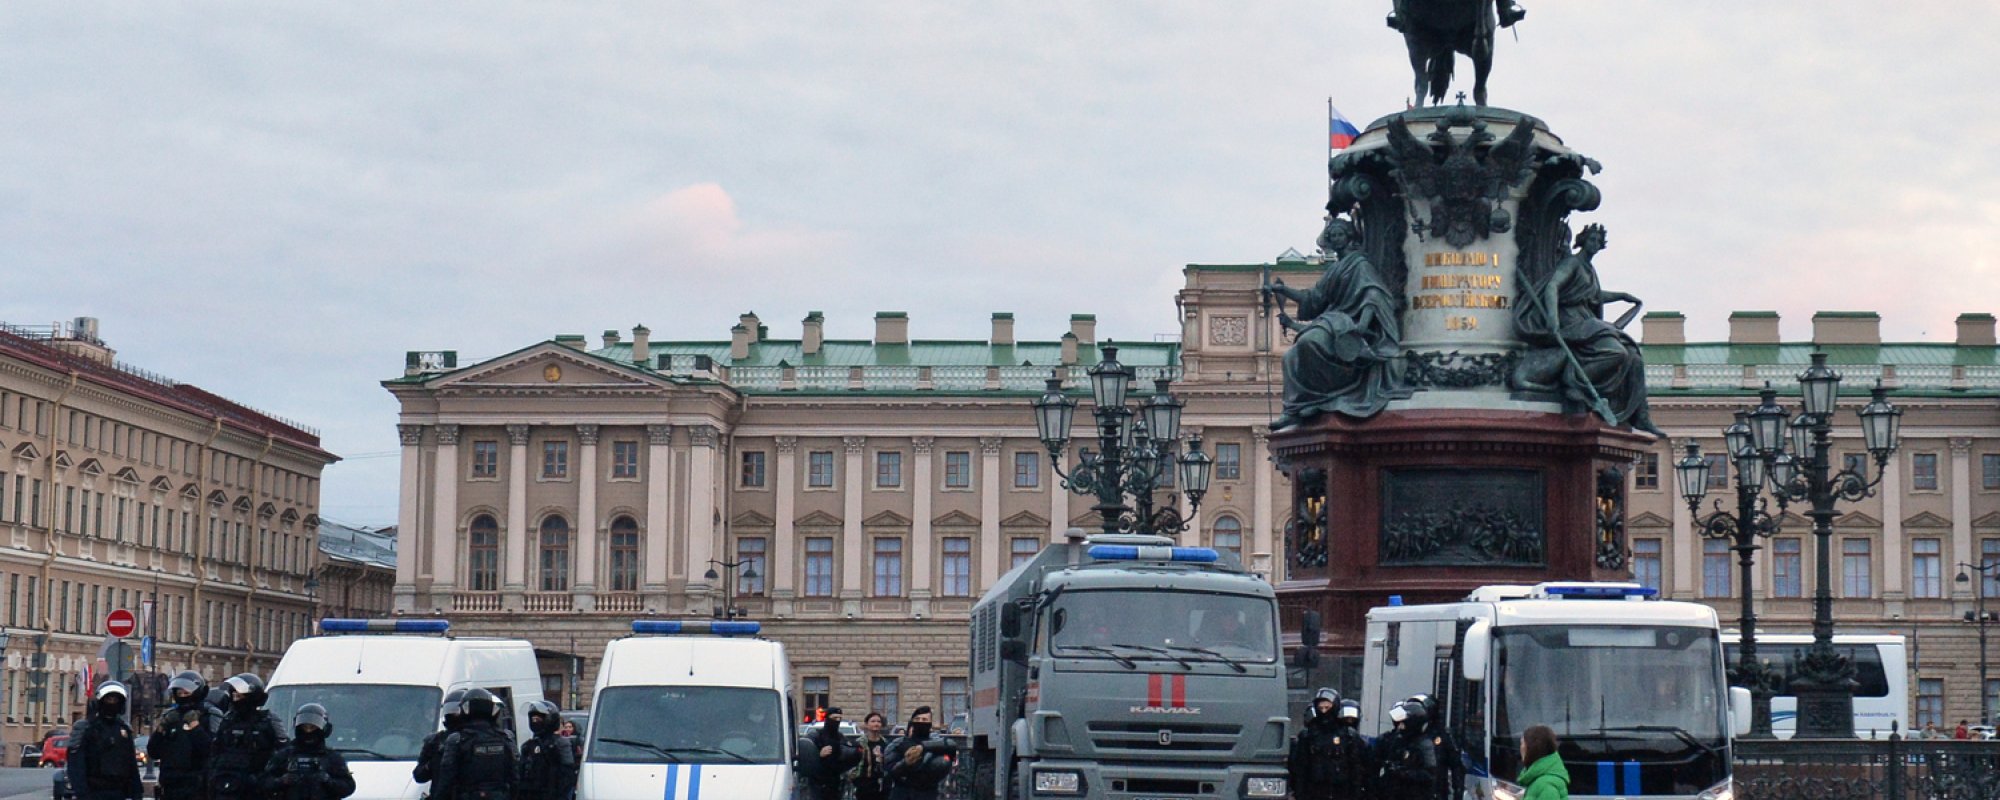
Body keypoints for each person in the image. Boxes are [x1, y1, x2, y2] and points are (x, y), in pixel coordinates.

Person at [1263, 216, 1412, 427]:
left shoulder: (1360, 264)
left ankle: (1322, 397)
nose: (1336, 239)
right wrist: (1284, 290)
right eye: (1332, 236)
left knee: (1308, 343)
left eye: (1340, 234)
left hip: (1350, 324)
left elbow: (1373, 295)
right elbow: (1314, 299)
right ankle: (1298, 408)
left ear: (1349, 237)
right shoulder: (1335, 268)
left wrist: (1360, 328)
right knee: (1290, 358)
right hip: (1336, 321)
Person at [208, 673, 288, 800]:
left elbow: (283, 753)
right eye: (234, 696)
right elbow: (215, 751)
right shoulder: (228, 720)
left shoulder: (267, 720)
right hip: (228, 785)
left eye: (239, 696)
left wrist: (267, 779)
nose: (236, 700)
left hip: (255, 788)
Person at [433, 688, 516, 800]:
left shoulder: (457, 739)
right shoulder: (505, 737)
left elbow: (446, 779)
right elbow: (515, 776)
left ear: (465, 709)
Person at [261, 703, 356, 800]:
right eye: (304, 727)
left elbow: (348, 786)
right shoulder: (284, 756)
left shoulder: (332, 758)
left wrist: (328, 781)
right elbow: (264, 782)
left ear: (324, 729)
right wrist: (282, 781)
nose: (308, 731)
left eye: (312, 727)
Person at [67, 681, 142, 800]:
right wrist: (82, 793)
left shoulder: (124, 729)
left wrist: (137, 793)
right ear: (101, 701)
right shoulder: (86, 728)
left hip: (119, 791)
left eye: (115, 699)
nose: (112, 703)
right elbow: (76, 764)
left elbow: (131, 764)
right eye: (109, 699)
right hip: (94, 791)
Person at [148, 671, 214, 800]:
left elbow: (212, 750)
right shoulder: (171, 717)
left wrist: (196, 728)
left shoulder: (209, 715)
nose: (183, 696)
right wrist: (160, 729)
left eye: (186, 693)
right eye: (179, 693)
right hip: (170, 785)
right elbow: (153, 752)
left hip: (196, 787)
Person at [884, 707, 953, 800]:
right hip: (902, 792)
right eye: (917, 719)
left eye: (924, 719)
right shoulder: (898, 743)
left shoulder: (937, 743)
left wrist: (924, 747)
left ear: (930, 723)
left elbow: (950, 749)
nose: (920, 722)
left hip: (928, 792)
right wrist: (905, 763)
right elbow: (889, 770)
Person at [1287, 688, 1343, 800]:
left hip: (1340, 790)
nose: (1324, 711)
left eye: (1327, 707)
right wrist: (1299, 793)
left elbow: (1356, 767)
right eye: (1321, 708)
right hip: (1314, 790)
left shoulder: (1347, 735)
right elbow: (1299, 768)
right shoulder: (1307, 735)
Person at [1376, 700, 1436, 800]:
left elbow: (1429, 775)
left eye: (1403, 723)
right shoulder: (1399, 740)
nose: (1400, 726)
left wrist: (1405, 773)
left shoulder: (1424, 745)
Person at [516, 701, 575, 800]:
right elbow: (521, 774)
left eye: (538, 719)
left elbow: (568, 776)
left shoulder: (560, 743)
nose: (535, 722)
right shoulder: (528, 746)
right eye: (533, 719)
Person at [1406, 693, 1460, 800]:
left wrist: (1457, 793)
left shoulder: (1443, 737)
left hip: (1434, 792)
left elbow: (1456, 766)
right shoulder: (1405, 735)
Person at [414, 689, 469, 786]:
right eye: (450, 710)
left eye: (456, 711)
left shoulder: (474, 738)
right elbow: (419, 775)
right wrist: (432, 764)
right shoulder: (435, 741)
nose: (453, 714)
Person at [801, 707, 857, 800]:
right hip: (817, 783)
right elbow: (805, 755)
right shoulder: (816, 735)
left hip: (835, 783)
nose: (837, 721)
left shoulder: (840, 737)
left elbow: (848, 754)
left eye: (839, 718)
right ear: (827, 718)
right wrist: (819, 754)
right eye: (834, 718)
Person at [1516, 725, 1568, 800]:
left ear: (1532, 748)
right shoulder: (1540, 781)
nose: (1521, 748)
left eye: (1522, 743)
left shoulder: (1546, 786)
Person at [850, 712, 893, 800]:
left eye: (878, 721)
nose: (876, 724)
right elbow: (851, 764)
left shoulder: (886, 743)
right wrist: (855, 779)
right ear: (867, 724)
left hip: (882, 785)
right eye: (873, 721)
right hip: (863, 785)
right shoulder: (859, 743)